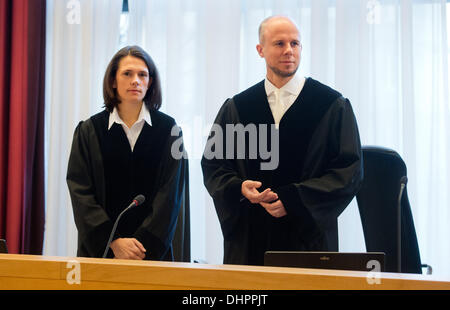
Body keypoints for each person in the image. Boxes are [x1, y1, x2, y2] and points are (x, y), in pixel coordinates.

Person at [201, 16, 363, 265]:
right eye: (279, 43)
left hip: (308, 244)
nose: (289, 50)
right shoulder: (238, 107)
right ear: (260, 50)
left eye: (295, 43)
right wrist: (239, 188)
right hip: (250, 242)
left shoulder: (331, 105)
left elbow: (349, 172)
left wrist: (294, 200)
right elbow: (214, 166)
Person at [67, 45, 186, 261]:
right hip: (101, 253)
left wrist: (140, 247)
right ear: (113, 80)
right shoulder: (89, 130)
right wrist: (113, 241)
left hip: (151, 255)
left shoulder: (169, 131)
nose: (136, 80)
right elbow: (80, 191)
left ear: (150, 82)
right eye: (127, 74)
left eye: (143, 74)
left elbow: (170, 196)